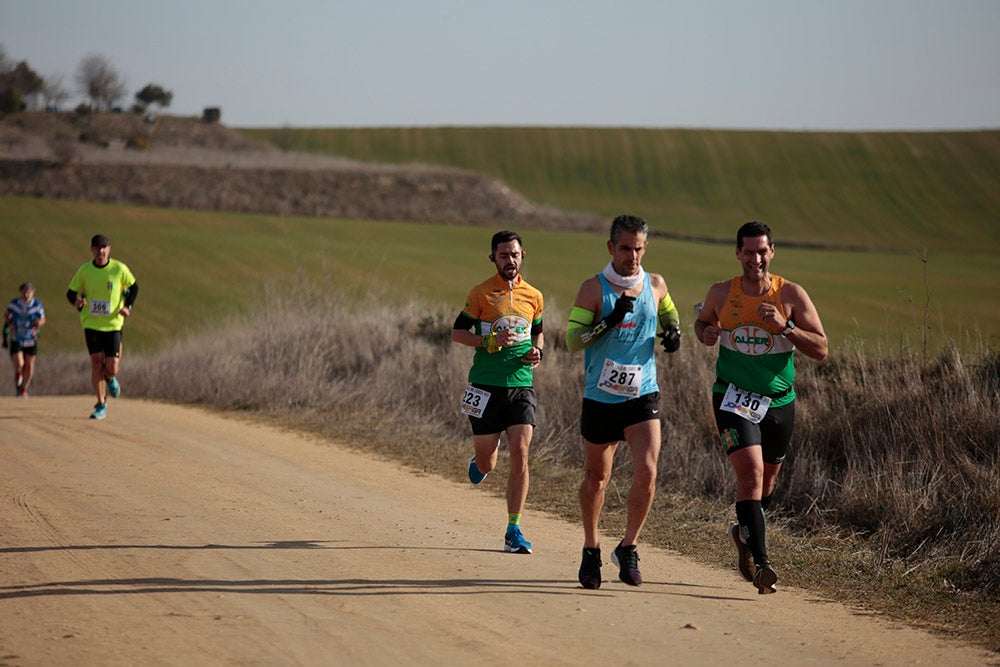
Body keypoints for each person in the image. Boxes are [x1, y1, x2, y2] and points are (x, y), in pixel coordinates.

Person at [694, 221, 827, 594]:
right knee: (750, 475)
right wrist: (703, 332)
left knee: (767, 482)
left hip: (779, 402)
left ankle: (742, 532)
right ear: (737, 254)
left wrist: (785, 328)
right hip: (732, 397)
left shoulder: (792, 295)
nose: (755, 258)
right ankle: (763, 564)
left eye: (762, 251)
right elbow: (703, 323)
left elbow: (822, 349)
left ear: (772, 251)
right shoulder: (722, 293)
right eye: (748, 251)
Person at [565, 214, 681, 589]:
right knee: (597, 478)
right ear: (611, 247)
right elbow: (572, 340)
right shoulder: (593, 289)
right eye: (625, 248)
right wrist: (607, 321)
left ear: (646, 247)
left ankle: (628, 546)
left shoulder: (656, 284)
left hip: (642, 393)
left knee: (648, 470)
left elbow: (668, 311)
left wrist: (673, 332)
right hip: (600, 397)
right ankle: (591, 548)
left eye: (639, 248)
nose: (633, 256)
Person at [451, 230, 544, 555]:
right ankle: (479, 463)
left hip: (520, 386)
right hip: (485, 386)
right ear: (493, 258)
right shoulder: (480, 294)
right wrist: (487, 342)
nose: (510, 260)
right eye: (503, 255)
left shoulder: (534, 295)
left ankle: (513, 529)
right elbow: (457, 333)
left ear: (522, 256)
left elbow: (538, 334)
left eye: (515, 254)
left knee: (521, 455)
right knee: (488, 463)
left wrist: (538, 353)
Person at [66, 234, 139, 420]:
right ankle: (100, 404)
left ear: (109, 250)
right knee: (97, 363)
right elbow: (70, 293)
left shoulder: (118, 268)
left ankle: (111, 378)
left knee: (112, 367)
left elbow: (134, 287)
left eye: (104, 248)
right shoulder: (84, 271)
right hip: (91, 322)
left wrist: (127, 307)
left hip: (113, 323)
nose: (101, 251)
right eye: (97, 248)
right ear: (92, 250)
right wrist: (77, 301)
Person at [3, 282, 46, 397]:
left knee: (30, 365)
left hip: (31, 338)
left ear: (32, 293)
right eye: (24, 292)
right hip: (17, 337)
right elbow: (6, 315)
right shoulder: (14, 304)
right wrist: (10, 323)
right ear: (21, 293)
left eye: (29, 292)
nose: (26, 294)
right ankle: (18, 374)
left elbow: (43, 319)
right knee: (19, 364)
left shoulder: (37, 305)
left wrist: (38, 323)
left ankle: (23, 389)